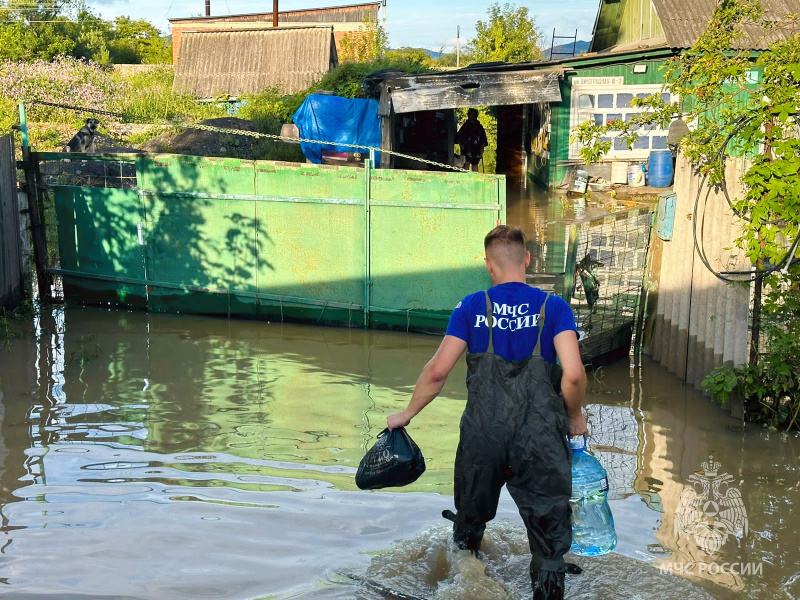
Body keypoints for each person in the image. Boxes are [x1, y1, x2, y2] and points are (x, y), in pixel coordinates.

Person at [387, 225, 587, 599]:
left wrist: (407, 413)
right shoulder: (555, 308)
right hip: (540, 441)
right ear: (527, 259)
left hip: (483, 438)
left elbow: (437, 371)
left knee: (469, 524)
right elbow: (573, 375)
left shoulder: (472, 306)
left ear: (488, 266)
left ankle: (465, 580)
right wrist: (575, 417)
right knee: (547, 543)